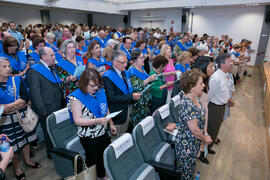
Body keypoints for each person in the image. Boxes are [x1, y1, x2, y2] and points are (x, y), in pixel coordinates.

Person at [68, 68, 116, 180]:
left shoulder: (99, 91)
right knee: (92, 160)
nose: (95, 88)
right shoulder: (76, 98)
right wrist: (96, 121)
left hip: (102, 131)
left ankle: (102, 175)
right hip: (89, 135)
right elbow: (77, 120)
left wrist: (111, 123)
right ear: (84, 83)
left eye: (97, 85)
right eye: (92, 86)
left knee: (102, 156)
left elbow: (105, 108)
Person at [0, 57, 40, 180]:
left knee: (25, 139)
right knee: (12, 145)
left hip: (22, 117)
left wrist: (8, 106)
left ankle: (27, 160)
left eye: (8, 66)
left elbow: (25, 97)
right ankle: (16, 168)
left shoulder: (17, 79)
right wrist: (16, 104)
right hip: (4, 122)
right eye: (4, 67)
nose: (8, 69)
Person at [27, 47, 64, 158]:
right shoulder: (34, 70)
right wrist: (42, 110)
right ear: (43, 57)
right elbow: (35, 93)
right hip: (47, 107)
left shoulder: (51, 67)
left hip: (57, 103)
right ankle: (52, 154)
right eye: (51, 55)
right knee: (48, 132)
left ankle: (58, 150)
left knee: (56, 130)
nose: (54, 57)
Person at [175, 69, 212, 179]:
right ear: (191, 86)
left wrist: (204, 134)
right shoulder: (187, 104)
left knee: (191, 169)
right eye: (201, 83)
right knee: (186, 174)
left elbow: (201, 118)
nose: (204, 85)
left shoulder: (195, 98)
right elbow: (195, 130)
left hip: (194, 142)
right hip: (186, 146)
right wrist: (205, 139)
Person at [102, 51, 141, 140]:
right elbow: (111, 98)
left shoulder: (123, 72)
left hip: (126, 110)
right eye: (122, 63)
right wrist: (131, 97)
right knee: (116, 139)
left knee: (123, 135)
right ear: (114, 62)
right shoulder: (107, 76)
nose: (126, 65)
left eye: (126, 62)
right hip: (117, 114)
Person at [207, 53, 233, 152]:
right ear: (222, 64)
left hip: (222, 106)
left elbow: (225, 90)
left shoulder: (225, 74)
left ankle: (209, 146)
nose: (232, 63)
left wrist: (229, 100)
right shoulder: (216, 78)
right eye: (229, 61)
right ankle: (203, 151)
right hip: (214, 108)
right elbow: (209, 96)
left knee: (216, 129)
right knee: (211, 129)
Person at [194, 56, 215, 164]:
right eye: (211, 66)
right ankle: (200, 154)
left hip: (203, 114)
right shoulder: (196, 83)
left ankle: (202, 152)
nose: (214, 69)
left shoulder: (206, 79)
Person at [128, 51, 156, 127]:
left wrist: (151, 79)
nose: (143, 59)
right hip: (138, 103)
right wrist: (149, 79)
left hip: (145, 100)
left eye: (143, 57)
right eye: (141, 58)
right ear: (135, 61)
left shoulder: (142, 68)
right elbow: (136, 87)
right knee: (139, 125)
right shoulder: (132, 71)